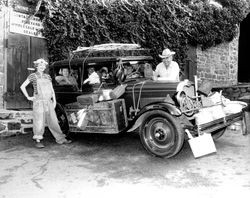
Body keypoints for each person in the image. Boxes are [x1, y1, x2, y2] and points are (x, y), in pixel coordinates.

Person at [20, 58, 72, 148]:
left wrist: (54, 101)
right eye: (40, 65)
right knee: (39, 121)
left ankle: (60, 139)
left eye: (43, 66)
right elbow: (22, 86)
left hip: (49, 102)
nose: (42, 67)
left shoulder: (47, 76)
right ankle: (38, 140)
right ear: (36, 66)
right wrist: (28, 97)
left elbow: (52, 90)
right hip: (39, 102)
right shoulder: (33, 76)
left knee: (54, 121)